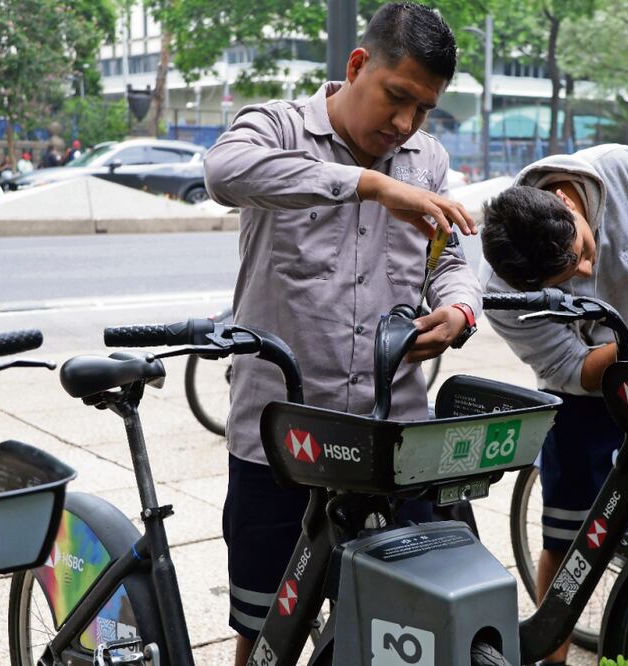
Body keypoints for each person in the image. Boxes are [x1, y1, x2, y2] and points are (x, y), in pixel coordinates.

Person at [203, 5, 479, 664]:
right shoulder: (277, 127)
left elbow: (452, 258)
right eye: (397, 97)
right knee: (266, 627)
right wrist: (368, 186)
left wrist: (459, 311)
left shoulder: (428, 160)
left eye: (424, 110)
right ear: (358, 66)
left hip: (391, 436)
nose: (406, 124)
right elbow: (223, 174)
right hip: (282, 438)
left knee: (406, 618)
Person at [480, 144, 628, 666]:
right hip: (577, 399)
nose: (587, 269)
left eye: (583, 252)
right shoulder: (502, 290)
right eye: (566, 277)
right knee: (565, 535)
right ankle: (554, 655)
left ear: (568, 203)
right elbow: (577, 369)